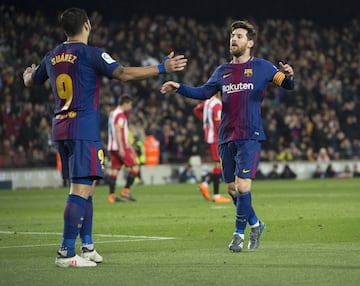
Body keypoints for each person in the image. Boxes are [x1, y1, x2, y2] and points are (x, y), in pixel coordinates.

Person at [23, 7, 187, 268]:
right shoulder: (92, 54)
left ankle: (87, 246)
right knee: (80, 189)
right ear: (87, 25)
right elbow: (123, 74)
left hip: (60, 127)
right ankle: (66, 253)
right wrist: (161, 68)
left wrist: (26, 76)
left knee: (86, 188)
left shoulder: (52, 55)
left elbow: (32, 80)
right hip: (82, 128)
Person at [161, 20, 295, 252]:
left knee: (243, 187)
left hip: (249, 135)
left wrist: (289, 76)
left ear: (250, 42)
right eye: (233, 35)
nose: (234, 39)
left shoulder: (263, 67)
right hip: (225, 137)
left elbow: (286, 85)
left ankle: (237, 236)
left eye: (240, 36)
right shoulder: (222, 71)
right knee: (232, 190)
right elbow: (203, 92)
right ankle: (255, 223)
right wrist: (179, 87)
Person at [193, 91, 231, 203]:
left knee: (218, 164)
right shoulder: (217, 105)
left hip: (209, 136)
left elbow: (196, 110)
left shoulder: (207, 102)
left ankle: (207, 186)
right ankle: (215, 194)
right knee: (219, 165)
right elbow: (219, 124)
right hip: (216, 138)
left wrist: (206, 123)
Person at [107, 94, 139, 203]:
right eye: (130, 105)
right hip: (120, 147)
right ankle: (126, 190)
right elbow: (118, 131)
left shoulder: (112, 113)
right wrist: (122, 147)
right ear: (125, 104)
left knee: (115, 171)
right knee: (135, 167)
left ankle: (111, 196)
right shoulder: (120, 115)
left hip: (112, 146)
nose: (130, 107)